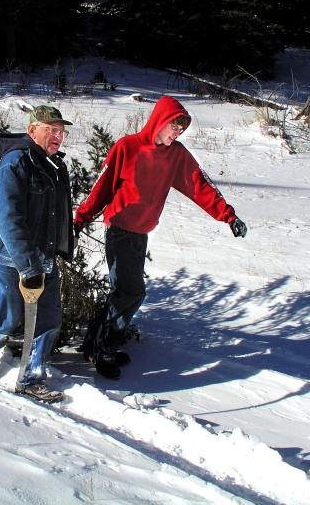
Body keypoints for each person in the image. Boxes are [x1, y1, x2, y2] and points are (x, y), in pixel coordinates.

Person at [73, 95, 247, 379]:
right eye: (173, 128)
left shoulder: (176, 155)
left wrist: (229, 216)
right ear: (159, 122)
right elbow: (102, 187)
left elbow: (199, 186)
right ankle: (103, 349)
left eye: (180, 130)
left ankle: (95, 342)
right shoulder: (127, 147)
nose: (176, 134)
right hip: (119, 229)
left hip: (141, 232)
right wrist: (80, 218)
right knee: (131, 292)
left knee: (123, 290)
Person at [0, 105, 74, 403]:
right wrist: (29, 265)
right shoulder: (14, 165)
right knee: (8, 317)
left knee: (49, 318)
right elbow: (8, 220)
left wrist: (59, 250)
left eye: (61, 132)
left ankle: (31, 377)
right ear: (32, 130)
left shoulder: (52, 165)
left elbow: (56, 214)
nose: (58, 136)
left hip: (44, 258)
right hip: (9, 259)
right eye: (51, 130)